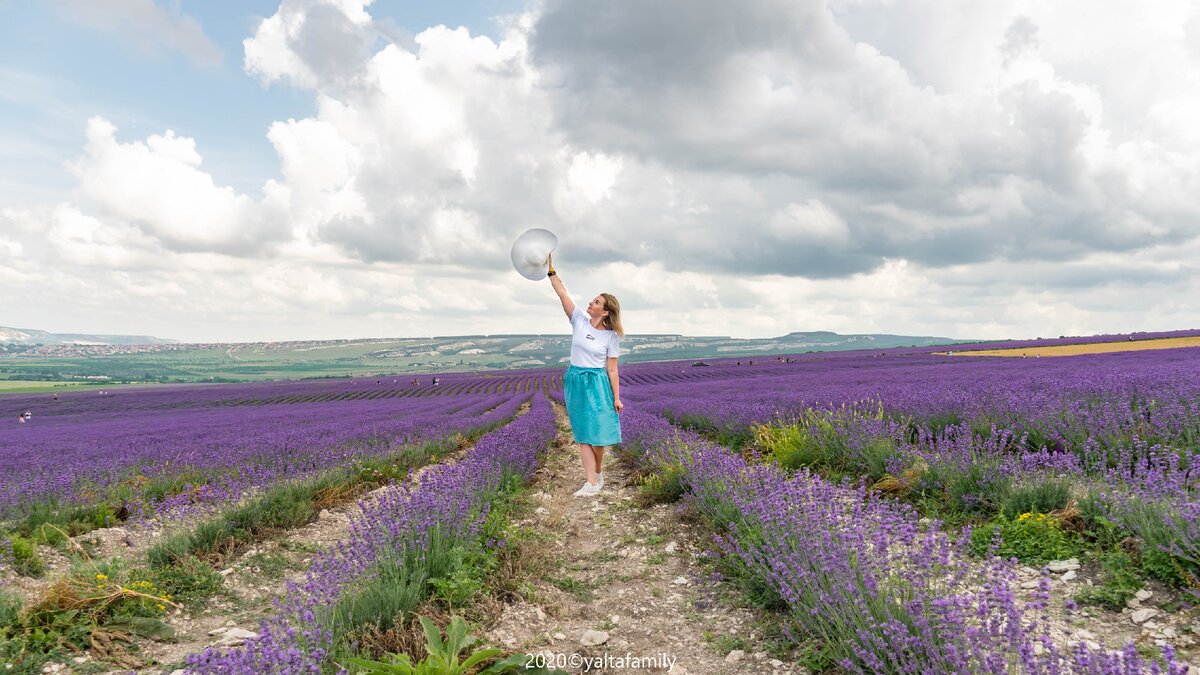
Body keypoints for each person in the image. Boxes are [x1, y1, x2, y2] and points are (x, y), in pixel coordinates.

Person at [547, 253, 624, 497]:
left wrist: (617, 397)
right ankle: (590, 482)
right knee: (582, 433)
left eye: (596, 302)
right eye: (592, 300)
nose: (590, 303)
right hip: (575, 379)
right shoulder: (579, 320)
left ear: (605, 312)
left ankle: (597, 471)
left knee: (599, 436)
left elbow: (612, 369)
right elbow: (562, 293)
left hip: (598, 382)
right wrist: (551, 271)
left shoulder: (611, 337)